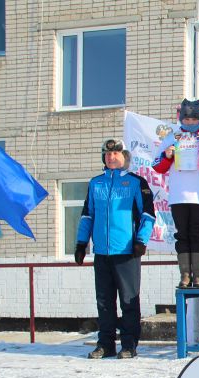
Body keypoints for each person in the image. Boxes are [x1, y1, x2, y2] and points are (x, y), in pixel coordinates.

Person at [75, 139, 156, 359]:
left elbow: (148, 214)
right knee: (104, 302)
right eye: (108, 154)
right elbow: (87, 215)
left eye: (116, 154)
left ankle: (129, 345)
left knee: (129, 301)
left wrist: (141, 241)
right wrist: (81, 243)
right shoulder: (96, 183)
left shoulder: (136, 182)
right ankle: (106, 344)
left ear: (124, 157)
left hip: (127, 251)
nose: (111, 158)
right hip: (102, 252)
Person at [153, 99, 199, 288]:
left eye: (194, 119)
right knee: (182, 235)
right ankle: (185, 276)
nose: (191, 122)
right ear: (181, 119)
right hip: (178, 197)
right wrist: (167, 156)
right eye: (187, 119)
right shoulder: (172, 138)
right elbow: (157, 167)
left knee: (198, 235)